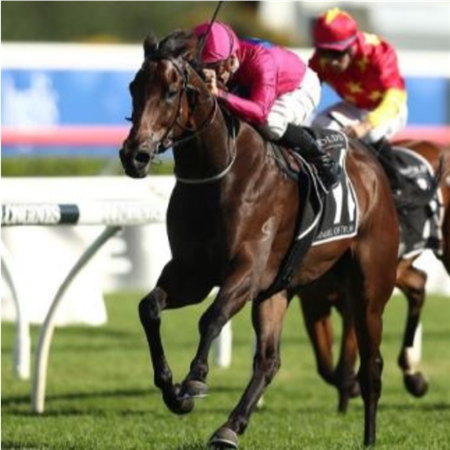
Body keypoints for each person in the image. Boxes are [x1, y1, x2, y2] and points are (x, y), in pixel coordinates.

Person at [193, 21, 340, 191]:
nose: (211, 73)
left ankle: (321, 159)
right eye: (205, 67)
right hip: (259, 84)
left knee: (270, 123)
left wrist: (219, 93)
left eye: (214, 67)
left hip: (299, 87)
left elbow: (260, 112)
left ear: (230, 59)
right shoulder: (228, 59)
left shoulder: (261, 61)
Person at [309, 8, 408, 195]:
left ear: (352, 45)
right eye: (323, 52)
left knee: (372, 133)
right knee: (319, 124)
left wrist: (366, 124)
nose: (330, 62)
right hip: (354, 107)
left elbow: (396, 97)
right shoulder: (320, 60)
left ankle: (397, 187)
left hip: (387, 108)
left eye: (336, 54)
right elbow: (305, 88)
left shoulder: (379, 51)